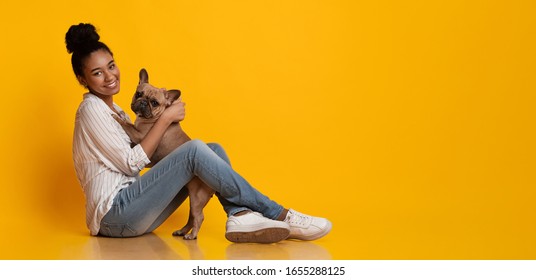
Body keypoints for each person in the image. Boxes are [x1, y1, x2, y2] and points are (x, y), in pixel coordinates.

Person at [66, 23, 331, 243]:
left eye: (111, 66)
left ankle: (239, 216)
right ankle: (280, 214)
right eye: (97, 73)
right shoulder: (91, 110)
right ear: (83, 79)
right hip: (115, 216)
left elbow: (143, 158)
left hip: (136, 210)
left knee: (211, 149)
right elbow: (130, 162)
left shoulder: (121, 113)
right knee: (194, 149)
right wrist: (166, 118)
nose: (109, 76)